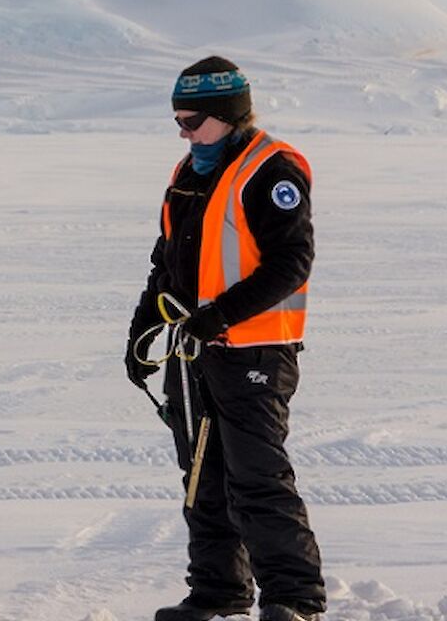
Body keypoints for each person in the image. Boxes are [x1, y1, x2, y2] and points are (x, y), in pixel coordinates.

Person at [124, 57, 326, 621]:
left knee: (256, 476)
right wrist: (142, 329)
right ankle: (218, 590)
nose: (185, 133)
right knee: (201, 477)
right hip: (194, 354)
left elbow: (292, 262)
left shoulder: (271, 170)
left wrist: (221, 316)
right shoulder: (188, 174)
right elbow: (165, 261)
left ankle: (294, 598)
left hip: (255, 351)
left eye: (193, 122)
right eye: (178, 123)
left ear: (228, 115)